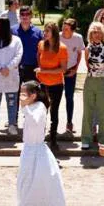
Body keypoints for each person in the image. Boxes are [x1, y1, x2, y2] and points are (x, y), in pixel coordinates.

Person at [10, 80, 67, 206]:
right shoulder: (29, 106)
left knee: (43, 185)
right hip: (28, 150)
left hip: (38, 152)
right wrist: (25, 106)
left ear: (33, 95)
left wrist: (24, 107)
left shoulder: (40, 107)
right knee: (24, 185)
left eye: (24, 94)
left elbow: (35, 121)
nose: (21, 97)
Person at [79, 21, 104, 151]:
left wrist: (103, 76)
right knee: (88, 110)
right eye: (94, 32)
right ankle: (86, 139)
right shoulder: (87, 50)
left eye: (99, 31)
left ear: (103, 33)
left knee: (103, 112)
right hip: (90, 81)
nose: (96, 34)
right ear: (90, 34)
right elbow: (88, 66)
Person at [36, 21, 69, 152]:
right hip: (43, 84)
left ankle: (53, 140)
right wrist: (40, 70)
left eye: (47, 31)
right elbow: (39, 58)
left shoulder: (62, 48)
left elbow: (63, 69)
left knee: (54, 113)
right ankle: (40, 139)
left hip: (56, 85)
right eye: (44, 31)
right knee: (41, 112)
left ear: (54, 33)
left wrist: (44, 71)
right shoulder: (41, 45)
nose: (44, 33)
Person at [0, 17, 23, 137]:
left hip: (11, 76)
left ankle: (12, 125)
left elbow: (18, 55)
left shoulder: (16, 41)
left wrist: (8, 67)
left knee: (12, 102)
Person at [60, 18, 86, 135]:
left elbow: (80, 54)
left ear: (72, 30)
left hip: (71, 71)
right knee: (55, 98)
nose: (63, 30)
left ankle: (69, 122)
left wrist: (75, 69)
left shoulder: (78, 38)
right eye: (63, 28)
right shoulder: (58, 36)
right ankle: (52, 123)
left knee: (69, 97)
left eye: (66, 29)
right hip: (58, 71)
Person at [14, 6, 43, 95]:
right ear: (19, 16)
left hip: (32, 68)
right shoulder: (12, 30)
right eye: (22, 14)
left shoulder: (38, 32)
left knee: (32, 95)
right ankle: (16, 110)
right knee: (15, 95)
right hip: (16, 68)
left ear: (31, 16)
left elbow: (42, 51)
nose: (25, 16)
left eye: (27, 14)